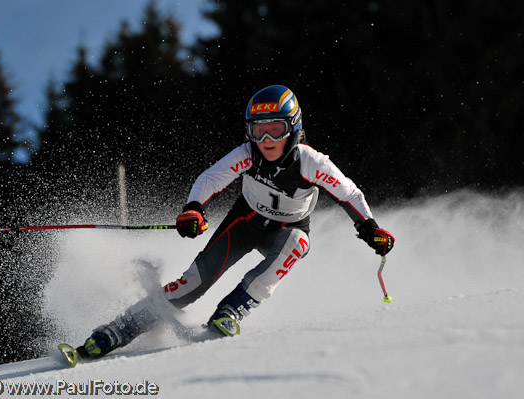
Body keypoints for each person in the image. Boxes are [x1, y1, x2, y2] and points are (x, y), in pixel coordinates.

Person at [76, 84, 395, 359]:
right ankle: (115, 332)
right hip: (245, 222)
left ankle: (229, 312)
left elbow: (349, 194)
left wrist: (370, 229)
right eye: (259, 130)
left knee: (298, 244)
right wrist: (194, 210)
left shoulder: (310, 162)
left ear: (293, 129)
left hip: (287, 230)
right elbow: (210, 178)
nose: (267, 139)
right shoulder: (248, 153)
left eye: (276, 129)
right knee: (191, 283)